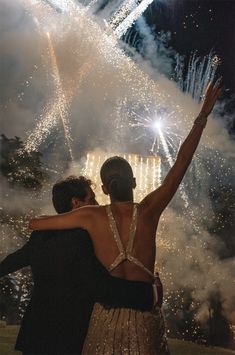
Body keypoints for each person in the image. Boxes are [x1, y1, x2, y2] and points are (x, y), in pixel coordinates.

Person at [29, 80, 221, 354]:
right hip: (145, 321)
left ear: (104, 188)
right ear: (133, 181)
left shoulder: (89, 216)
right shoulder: (149, 211)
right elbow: (181, 163)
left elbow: (36, 223)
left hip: (104, 320)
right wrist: (201, 118)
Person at [0, 176, 159, 354]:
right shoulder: (82, 240)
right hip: (68, 339)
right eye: (91, 199)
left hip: (35, 335)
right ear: (76, 203)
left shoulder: (41, 235)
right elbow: (101, 287)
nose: (98, 204)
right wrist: (147, 294)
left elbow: (12, 262)